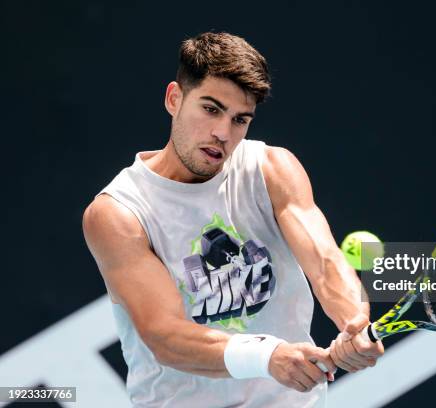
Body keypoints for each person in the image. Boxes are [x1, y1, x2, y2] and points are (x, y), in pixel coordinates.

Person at [82, 31, 383, 407]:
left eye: (240, 119)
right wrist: (266, 355)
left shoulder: (272, 170)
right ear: (174, 99)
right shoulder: (118, 213)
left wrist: (353, 320)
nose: (222, 133)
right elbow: (166, 337)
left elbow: (324, 263)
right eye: (210, 109)